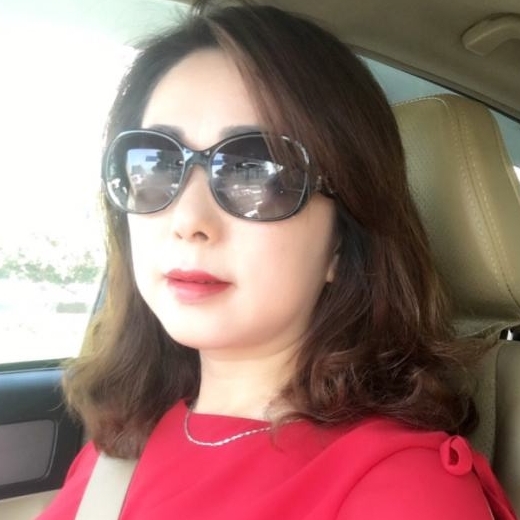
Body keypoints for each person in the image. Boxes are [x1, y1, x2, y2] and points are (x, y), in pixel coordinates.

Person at [37, 1, 516, 519]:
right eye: (155, 164)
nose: (187, 219)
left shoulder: (405, 489)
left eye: (256, 171)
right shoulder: (121, 441)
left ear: (341, 240)